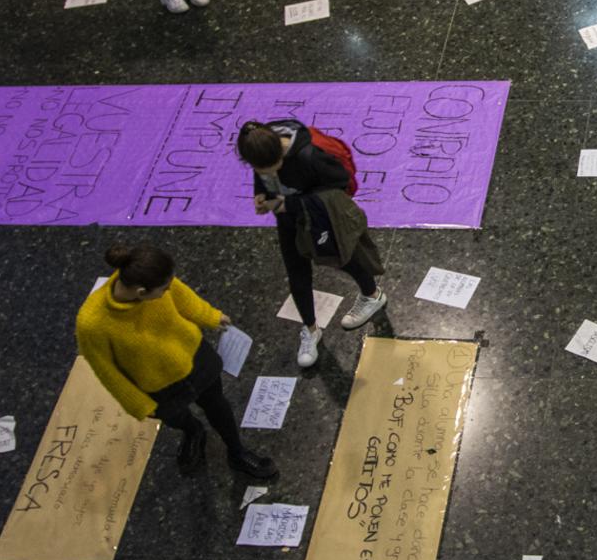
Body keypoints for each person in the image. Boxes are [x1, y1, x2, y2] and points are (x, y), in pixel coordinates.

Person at [76, 243, 278, 481]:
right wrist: (138, 404)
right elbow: (105, 370)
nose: (168, 290)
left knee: (217, 405)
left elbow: (182, 295)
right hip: (158, 385)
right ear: (141, 293)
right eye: (163, 289)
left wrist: (210, 316)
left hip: (194, 358)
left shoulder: (153, 277)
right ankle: (193, 431)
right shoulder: (92, 323)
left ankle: (236, 451)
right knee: (174, 417)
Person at [236, 120, 387, 368]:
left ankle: (372, 295)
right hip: (289, 219)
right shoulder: (260, 147)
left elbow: (340, 183)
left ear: (280, 151)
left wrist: (288, 204)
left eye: (273, 167)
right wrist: (261, 194)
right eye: (259, 169)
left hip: (320, 218)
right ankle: (310, 328)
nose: (268, 173)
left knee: (343, 259)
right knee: (297, 274)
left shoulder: (309, 156)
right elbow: (262, 174)